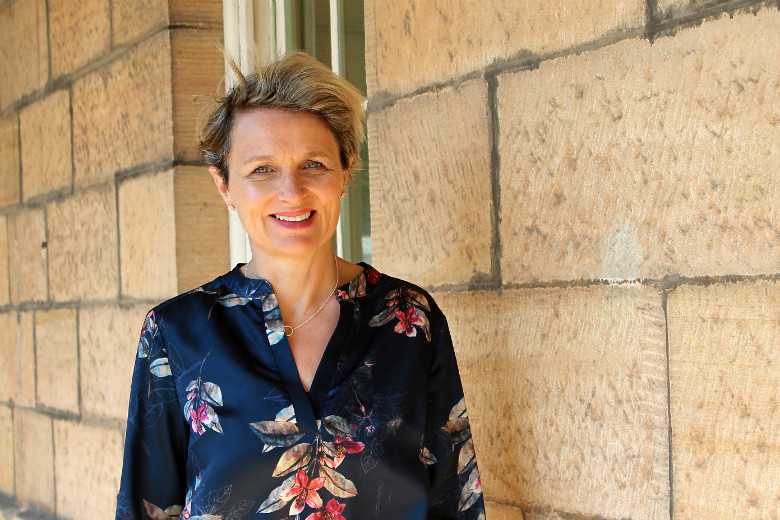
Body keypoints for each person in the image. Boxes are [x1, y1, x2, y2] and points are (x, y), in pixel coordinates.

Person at [116, 51, 485, 520]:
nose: (291, 191)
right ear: (224, 185)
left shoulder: (409, 319)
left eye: (314, 164)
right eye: (262, 169)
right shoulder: (177, 334)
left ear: (345, 173)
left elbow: (455, 500)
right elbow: (147, 506)